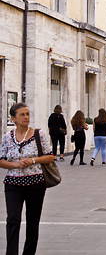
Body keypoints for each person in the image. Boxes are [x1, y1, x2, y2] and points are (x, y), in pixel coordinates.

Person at [0, 103, 54, 255]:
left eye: (27, 114)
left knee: (32, 222)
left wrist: (33, 160)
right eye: (22, 115)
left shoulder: (39, 134)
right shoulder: (8, 137)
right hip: (13, 184)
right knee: (12, 220)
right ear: (13, 118)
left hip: (35, 184)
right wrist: (15, 164)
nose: (26, 117)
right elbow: (1, 160)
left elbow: (50, 157)